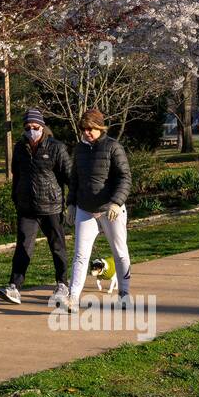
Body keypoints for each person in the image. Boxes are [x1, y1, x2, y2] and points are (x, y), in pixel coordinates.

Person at [0, 108, 72, 306]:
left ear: (43, 127)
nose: (32, 131)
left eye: (35, 127)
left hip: (51, 207)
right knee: (23, 247)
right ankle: (14, 286)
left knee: (57, 247)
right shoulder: (20, 148)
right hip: (27, 208)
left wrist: (75, 201)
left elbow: (69, 177)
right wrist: (16, 198)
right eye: (28, 128)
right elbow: (17, 176)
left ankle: (62, 283)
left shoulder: (56, 148)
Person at [66, 108, 133, 309]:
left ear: (99, 127)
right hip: (85, 209)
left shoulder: (113, 147)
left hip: (110, 210)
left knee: (120, 252)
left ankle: (124, 293)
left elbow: (125, 178)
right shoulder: (79, 149)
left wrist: (116, 202)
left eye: (91, 128)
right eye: (84, 129)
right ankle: (73, 297)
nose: (87, 132)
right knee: (80, 255)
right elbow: (74, 179)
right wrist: (70, 204)